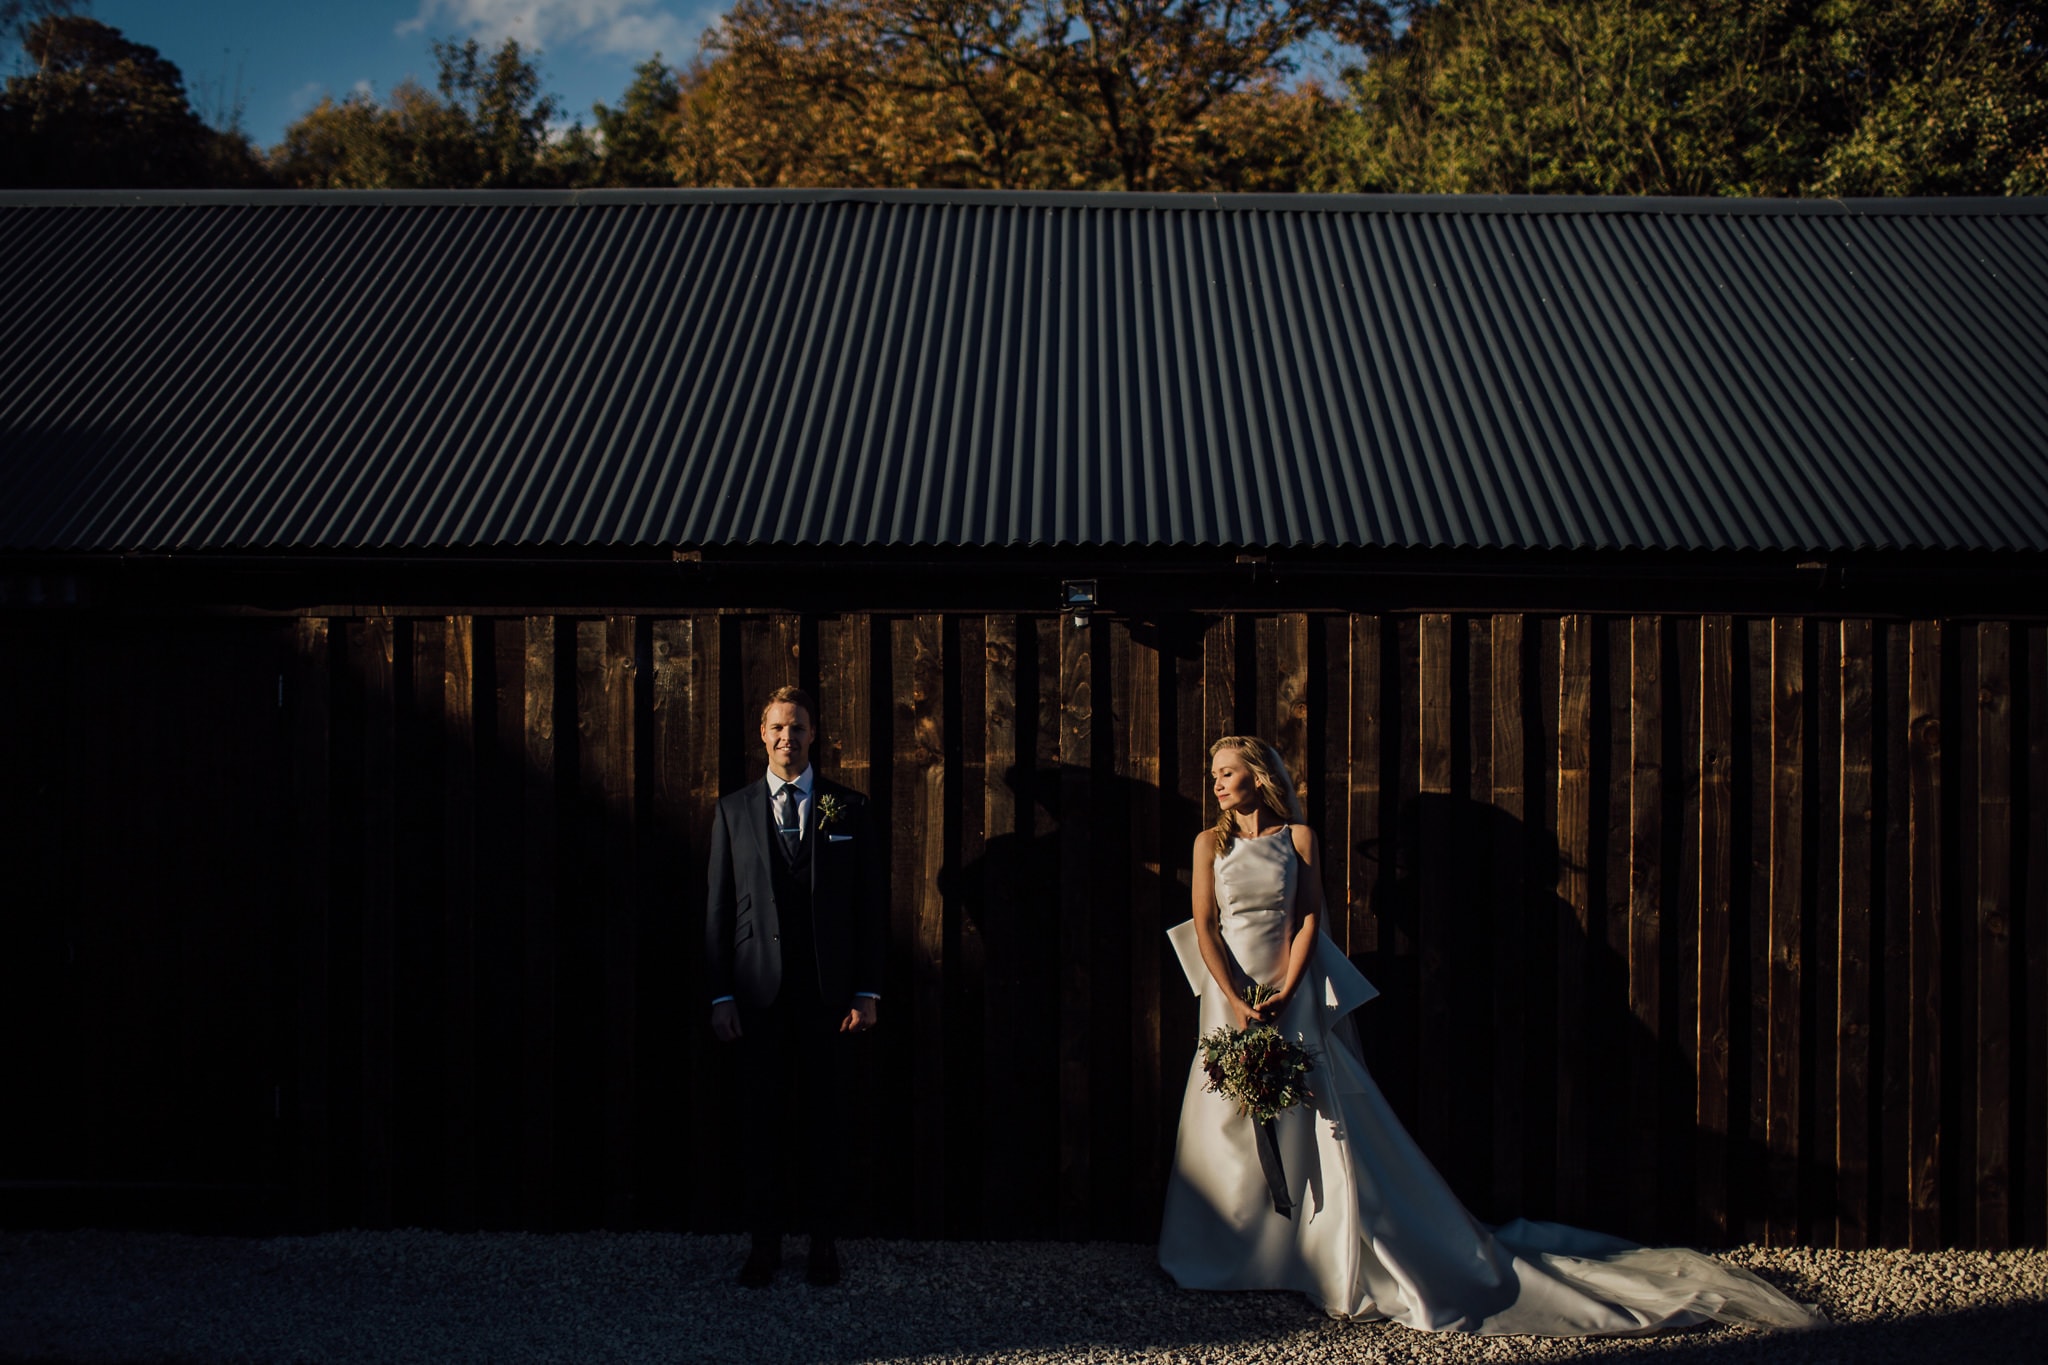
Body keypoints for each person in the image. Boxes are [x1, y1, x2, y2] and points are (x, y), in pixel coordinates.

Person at [1158, 735, 1826, 1335]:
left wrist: (1286, 988)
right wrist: (1236, 999)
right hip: (1230, 992)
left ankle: (1309, 1248)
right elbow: (1205, 923)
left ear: (1259, 776)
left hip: (1291, 987)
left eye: (1228, 771)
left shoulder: (1299, 839)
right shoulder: (1208, 845)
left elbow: (1309, 921)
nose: (1218, 783)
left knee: (1313, 1109)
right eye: (1214, 773)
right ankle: (1229, 1247)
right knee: (1226, 1106)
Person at [705, 685, 884, 1288]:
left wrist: (868, 990)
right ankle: (763, 1245)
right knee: (760, 1123)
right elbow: (720, 910)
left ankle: (824, 1244)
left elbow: (869, 909)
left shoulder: (848, 808)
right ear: (762, 733)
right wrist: (721, 994)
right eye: (778, 728)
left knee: (828, 1122)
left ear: (815, 736)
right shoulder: (733, 811)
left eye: (799, 728)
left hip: (829, 1000)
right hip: (757, 998)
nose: (788, 738)